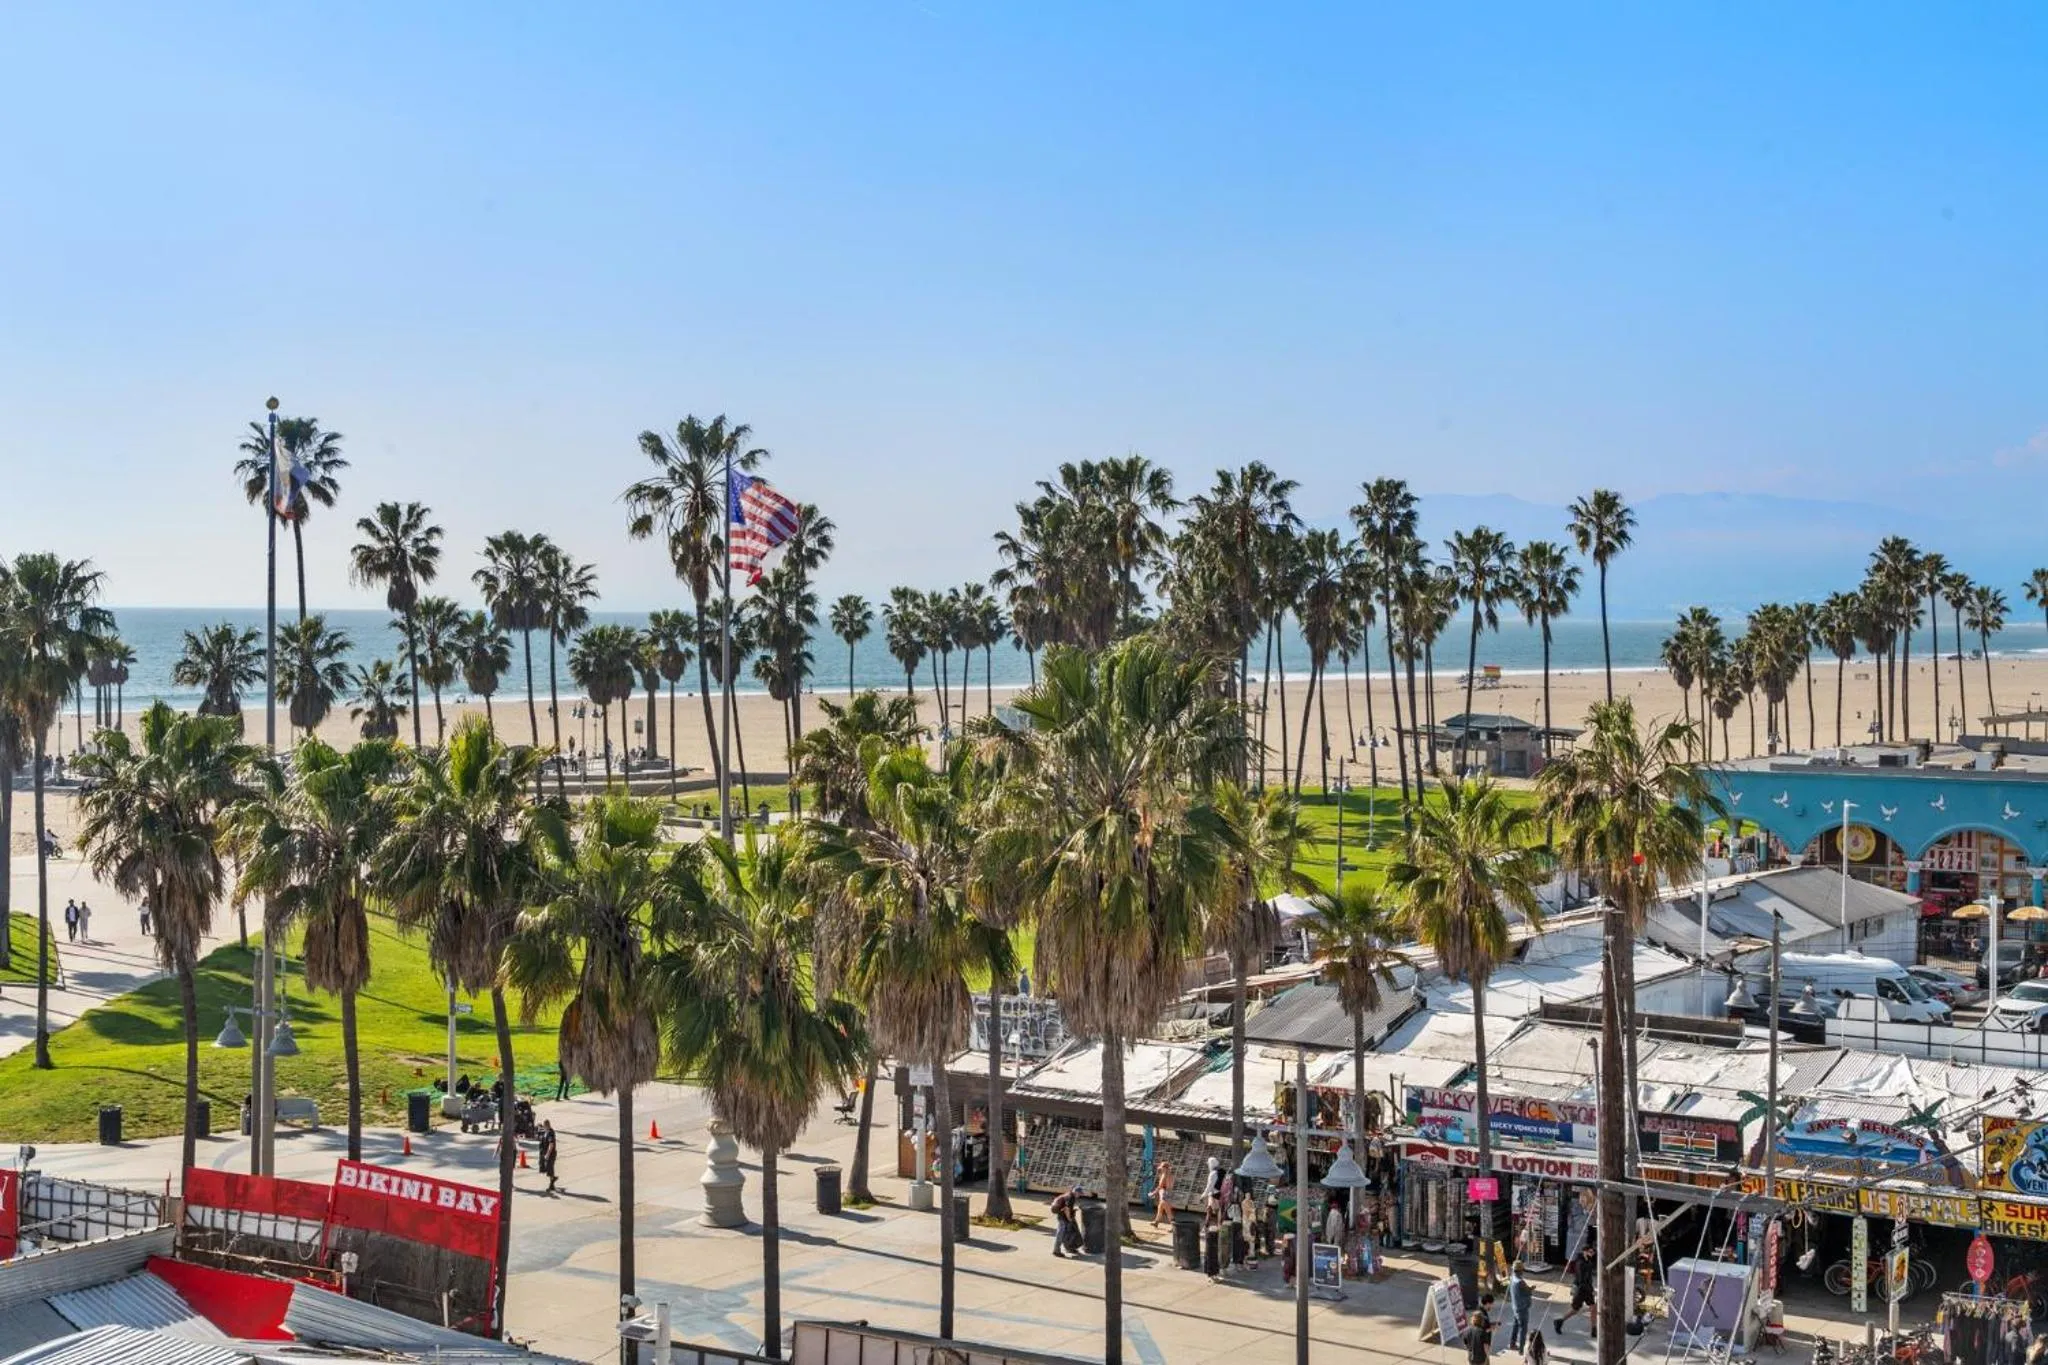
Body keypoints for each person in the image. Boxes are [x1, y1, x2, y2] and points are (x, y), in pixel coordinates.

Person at [1557, 1230, 1598, 1337]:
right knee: (1575, 1310)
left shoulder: (1588, 1261)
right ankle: (1560, 1321)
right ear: (1585, 1251)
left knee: (1593, 1308)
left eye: (1593, 1252)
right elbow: (1581, 1280)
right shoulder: (1580, 1263)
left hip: (1587, 1289)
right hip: (1581, 1289)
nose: (1592, 1254)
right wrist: (1591, 1290)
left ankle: (1594, 1329)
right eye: (1590, 1252)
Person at [1507, 1261, 1533, 1354]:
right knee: (1523, 1329)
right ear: (1520, 1271)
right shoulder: (1520, 1282)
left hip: (1515, 1307)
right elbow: (1528, 1291)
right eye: (1522, 1270)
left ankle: (1512, 1343)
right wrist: (1531, 1289)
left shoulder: (1513, 1278)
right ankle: (1522, 1349)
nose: (1523, 1272)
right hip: (1522, 1309)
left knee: (1515, 1326)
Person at [1049, 1186, 1081, 1258]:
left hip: (1061, 1214)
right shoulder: (1070, 1197)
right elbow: (1066, 1209)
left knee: (1066, 1232)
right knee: (1061, 1233)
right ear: (1075, 1192)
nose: (1080, 1195)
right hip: (1062, 1217)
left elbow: (1066, 1207)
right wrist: (1069, 1218)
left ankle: (1069, 1248)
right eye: (1079, 1193)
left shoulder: (1069, 1195)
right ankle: (1056, 1251)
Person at [1469, 1293, 1496, 1365]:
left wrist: (1493, 1324)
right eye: (1491, 1304)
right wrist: (1492, 1328)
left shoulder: (1481, 1311)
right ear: (1487, 1303)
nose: (1492, 1306)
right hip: (1482, 1353)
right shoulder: (1482, 1314)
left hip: (1474, 1354)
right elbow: (1483, 1331)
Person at [1150, 1159, 1175, 1227]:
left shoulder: (1164, 1175)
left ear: (1164, 1168)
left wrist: (1153, 1193)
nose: (1160, 1169)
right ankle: (1156, 1222)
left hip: (1164, 1193)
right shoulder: (1170, 1174)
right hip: (1168, 1193)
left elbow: (1160, 1186)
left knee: (1168, 1210)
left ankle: (1174, 1226)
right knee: (1160, 1207)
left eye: (1162, 1167)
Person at [538, 1120, 559, 1193]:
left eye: (544, 1126)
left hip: (551, 1154)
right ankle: (553, 1180)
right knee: (546, 1168)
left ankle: (551, 1184)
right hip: (545, 1153)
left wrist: (547, 1154)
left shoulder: (550, 1133)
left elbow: (551, 1144)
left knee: (549, 1168)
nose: (543, 1128)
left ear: (547, 1125)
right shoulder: (545, 1132)